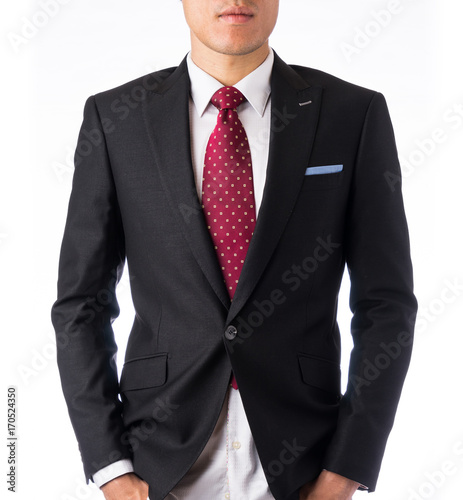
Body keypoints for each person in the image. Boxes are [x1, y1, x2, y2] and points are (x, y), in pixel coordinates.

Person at [51, 1, 417, 499]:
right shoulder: (117, 119)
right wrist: (111, 468)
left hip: (302, 463)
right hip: (159, 461)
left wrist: (346, 470)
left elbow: (386, 304)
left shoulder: (351, 114)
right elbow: (80, 304)